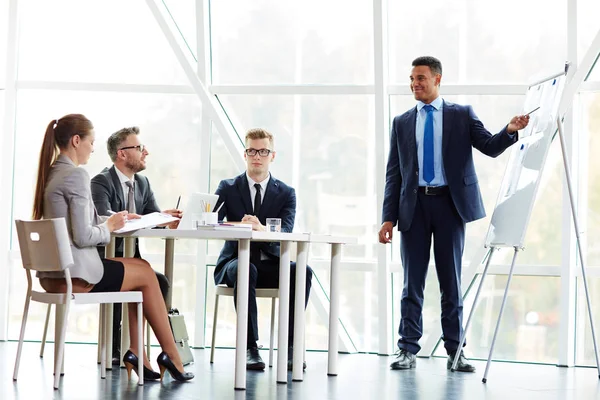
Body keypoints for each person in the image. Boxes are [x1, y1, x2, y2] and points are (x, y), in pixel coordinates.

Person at [379, 56, 530, 372]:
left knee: (451, 281)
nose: (414, 84)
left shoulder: (461, 115)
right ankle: (407, 350)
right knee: (412, 283)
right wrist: (387, 218)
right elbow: (394, 173)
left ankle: (456, 351)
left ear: (437, 79)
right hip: (414, 208)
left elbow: (488, 146)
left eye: (420, 78)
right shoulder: (402, 122)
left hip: (450, 206)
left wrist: (510, 130)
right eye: (411, 79)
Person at [32, 114, 193, 382]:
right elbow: (84, 237)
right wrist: (108, 227)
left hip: (52, 277)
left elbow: (79, 223)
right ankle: (171, 355)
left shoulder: (53, 173)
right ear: (76, 141)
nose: (93, 148)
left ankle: (138, 353)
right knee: (146, 273)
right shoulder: (77, 175)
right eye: (91, 142)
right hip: (77, 277)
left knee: (141, 273)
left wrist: (110, 220)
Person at [214, 128, 313, 371]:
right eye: (251, 151)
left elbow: (286, 232)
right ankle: (250, 348)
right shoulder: (227, 187)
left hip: (269, 263)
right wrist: (239, 226)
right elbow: (212, 222)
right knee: (246, 268)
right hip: (235, 263)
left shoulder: (287, 193)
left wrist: (260, 228)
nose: (257, 156)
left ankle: (291, 348)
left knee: (303, 271)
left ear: (272, 155)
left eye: (263, 151)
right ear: (245, 153)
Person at [90, 126, 181, 365]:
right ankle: (115, 348)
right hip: (105, 258)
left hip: (133, 258)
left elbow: (151, 216)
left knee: (160, 281)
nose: (146, 152)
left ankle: (136, 348)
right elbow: (103, 216)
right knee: (127, 282)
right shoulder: (100, 181)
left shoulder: (143, 183)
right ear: (122, 153)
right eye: (139, 147)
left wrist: (165, 218)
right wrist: (142, 218)